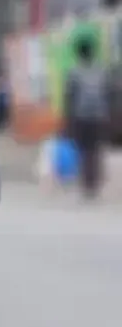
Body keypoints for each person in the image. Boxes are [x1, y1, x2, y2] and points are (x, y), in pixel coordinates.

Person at [62, 23, 110, 198]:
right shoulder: (102, 70)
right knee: (96, 150)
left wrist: (67, 119)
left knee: (83, 150)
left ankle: (86, 183)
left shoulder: (73, 72)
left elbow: (69, 97)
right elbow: (108, 93)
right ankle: (94, 183)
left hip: (80, 116)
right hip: (99, 116)